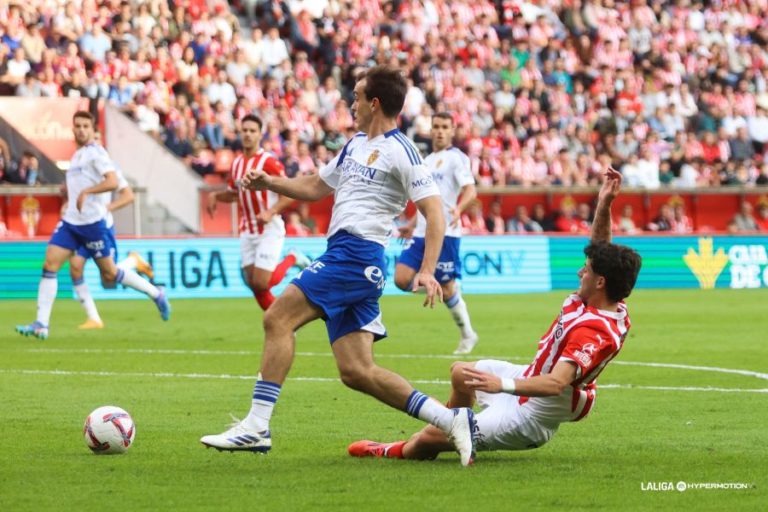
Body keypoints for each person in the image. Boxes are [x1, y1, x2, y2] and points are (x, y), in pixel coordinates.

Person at [200, 66, 477, 466]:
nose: (352, 103)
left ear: (374, 103)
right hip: (352, 258)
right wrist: (270, 184)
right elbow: (316, 185)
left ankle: (256, 426)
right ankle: (451, 421)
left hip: (355, 255)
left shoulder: (403, 150)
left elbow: (435, 213)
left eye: (358, 96)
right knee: (357, 371)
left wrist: (428, 268)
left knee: (277, 319)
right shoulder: (354, 145)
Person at [348, 167, 642, 463]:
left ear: (600, 282)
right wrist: (604, 205)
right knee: (461, 374)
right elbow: (600, 250)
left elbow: (556, 384)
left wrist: (501, 385)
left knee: (427, 440)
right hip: (528, 377)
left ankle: (389, 449)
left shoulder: (594, 330)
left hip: (531, 415)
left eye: (587, 271)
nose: (581, 272)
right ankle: (460, 430)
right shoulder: (602, 299)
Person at [16, 111, 170, 339]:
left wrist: (89, 193)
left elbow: (114, 182)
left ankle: (155, 293)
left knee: (109, 274)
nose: (80, 129)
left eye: (85, 126)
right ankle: (42, 324)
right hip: (71, 222)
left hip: (93, 225)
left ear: (93, 130)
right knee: (51, 263)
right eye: (77, 125)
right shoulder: (78, 156)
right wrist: (72, 194)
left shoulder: (97, 154)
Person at [394, 112, 479, 355]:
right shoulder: (426, 161)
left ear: (452, 131)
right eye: (436, 127)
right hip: (421, 232)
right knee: (401, 279)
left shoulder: (457, 158)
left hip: (446, 233)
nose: (440, 131)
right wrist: (411, 223)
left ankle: (467, 334)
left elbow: (471, 191)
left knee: (448, 286)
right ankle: (444, 286)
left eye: (445, 127)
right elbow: (425, 201)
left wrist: (459, 209)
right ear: (431, 131)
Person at [206, 114, 310, 310]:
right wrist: (215, 197)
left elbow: (290, 191)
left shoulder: (268, 162)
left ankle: (293, 257)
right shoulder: (236, 163)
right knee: (255, 286)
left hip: (268, 227)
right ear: (240, 132)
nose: (247, 134)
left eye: (252, 131)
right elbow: (233, 194)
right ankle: (282, 325)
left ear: (260, 134)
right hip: (248, 229)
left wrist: (271, 211)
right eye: (244, 130)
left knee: (262, 282)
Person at [68, 161, 156, 329]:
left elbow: (129, 195)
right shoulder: (77, 165)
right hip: (82, 225)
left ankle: (133, 262)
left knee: (108, 278)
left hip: (101, 228)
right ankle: (93, 318)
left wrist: (107, 208)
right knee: (75, 267)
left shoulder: (108, 167)